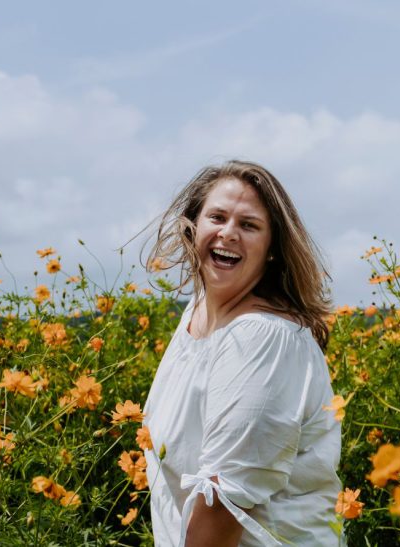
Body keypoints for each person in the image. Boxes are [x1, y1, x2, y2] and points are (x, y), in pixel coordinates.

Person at [143, 160, 344, 546]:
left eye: (248, 225)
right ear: (193, 226)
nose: (228, 233)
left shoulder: (261, 338)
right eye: (217, 217)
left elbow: (223, 503)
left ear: (272, 250)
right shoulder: (198, 313)